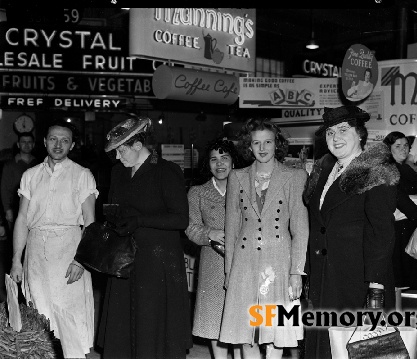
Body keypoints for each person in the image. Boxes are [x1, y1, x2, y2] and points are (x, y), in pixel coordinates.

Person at [302, 106, 399, 359]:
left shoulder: (376, 170)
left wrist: (376, 287)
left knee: (359, 349)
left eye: (344, 130)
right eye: (330, 132)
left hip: (358, 280)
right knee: (324, 346)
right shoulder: (324, 169)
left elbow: (382, 231)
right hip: (325, 277)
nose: (336, 138)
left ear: (360, 134)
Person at [97, 117, 192, 359]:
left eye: (121, 151)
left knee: (152, 324)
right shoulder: (118, 172)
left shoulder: (166, 171)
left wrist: (140, 220)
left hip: (157, 261)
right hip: (125, 258)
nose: (118, 158)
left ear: (138, 145)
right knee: (124, 325)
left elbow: (180, 219)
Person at [219, 118, 309, 359]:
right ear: (248, 146)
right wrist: (229, 272)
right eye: (256, 142)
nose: (262, 148)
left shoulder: (295, 176)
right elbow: (231, 228)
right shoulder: (237, 177)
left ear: (276, 144)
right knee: (245, 329)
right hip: (243, 263)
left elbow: (301, 229)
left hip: (279, 263)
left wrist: (296, 273)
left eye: (267, 142)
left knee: (276, 332)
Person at [9, 120, 98, 358]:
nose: (58, 145)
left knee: (70, 318)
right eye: (53, 139)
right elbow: (22, 219)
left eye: (65, 140)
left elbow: (90, 221)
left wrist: (81, 260)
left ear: (72, 145)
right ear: (45, 142)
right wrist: (17, 260)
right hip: (36, 251)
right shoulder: (30, 175)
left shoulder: (82, 175)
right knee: (39, 314)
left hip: (70, 249)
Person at [186, 138, 242, 359]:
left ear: (233, 162)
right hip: (212, 262)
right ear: (207, 164)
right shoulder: (197, 192)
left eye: (224, 158)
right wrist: (209, 234)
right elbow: (190, 227)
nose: (219, 164)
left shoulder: (246, 189)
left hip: (243, 260)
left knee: (240, 319)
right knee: (213, 318)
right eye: (213, 160)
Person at [383, 131, 417, 309]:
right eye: (398, 146)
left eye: (405, 146)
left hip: (407, 227)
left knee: (400, 277)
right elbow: (398, 196)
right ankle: (394, 319)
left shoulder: (403, 168)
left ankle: (396, 318)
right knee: (397, 276)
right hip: (398, 228)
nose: (403, 149)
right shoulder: (389, 169)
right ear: (388, 149)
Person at [1, 132, 39, 230]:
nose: (26, 145)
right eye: (23, 142)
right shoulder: (10, 165)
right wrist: (8, 210)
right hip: (16, 209)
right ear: (18, 144)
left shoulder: (39, 164)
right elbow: (4, 189)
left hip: (36, 210)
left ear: (33, 144)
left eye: (29, 142)